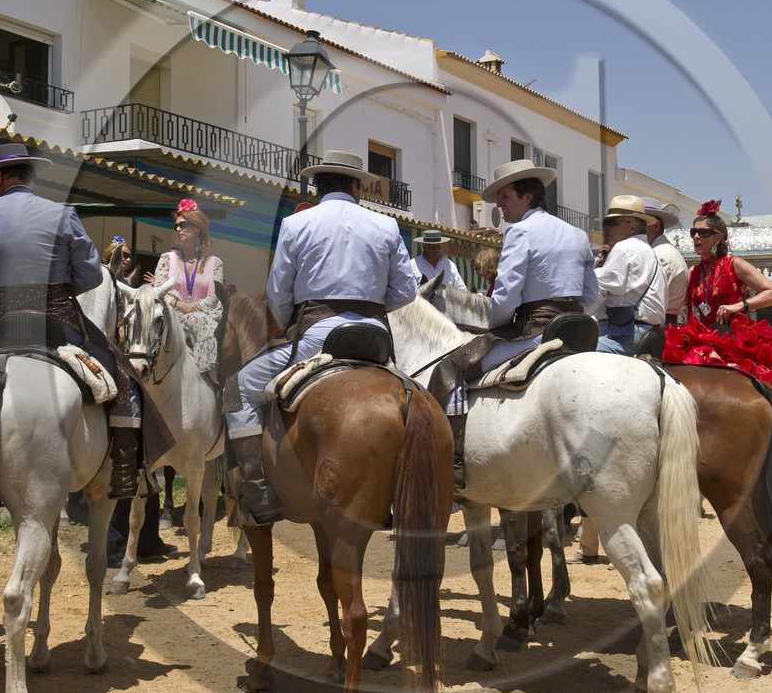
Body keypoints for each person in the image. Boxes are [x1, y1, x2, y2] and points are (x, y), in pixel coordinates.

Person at [0, 144, 166, 502]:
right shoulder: (62, 214)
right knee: (123, 374)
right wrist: (59, 292)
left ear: (0, 176)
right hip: (57, 320)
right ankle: (127, 468)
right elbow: (93, 275)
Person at [225, 149, 420, 523]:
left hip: (316, 336)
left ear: (317, 188)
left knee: (237, 389)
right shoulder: (386, 225)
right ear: (356, 188)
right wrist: (373, 308)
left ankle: (257, 489)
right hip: (375, 338)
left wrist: (289, 322)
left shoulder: (296, 225)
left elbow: (279, 295)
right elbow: (407, 292)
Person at [437, 159, 598, 488]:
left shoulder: (519, 232)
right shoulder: (578, 234)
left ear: (527, 197)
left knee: (449, 369)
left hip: (532, 334)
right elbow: (591, 294)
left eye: (505, 196)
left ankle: (452, 469)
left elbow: (507, 296)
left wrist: (494, 327)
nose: (499, 204)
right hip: (577, 333)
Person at [662, 199, 772, 412]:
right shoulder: (692, 272)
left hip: (734, 338)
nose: (696, 236)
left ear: (718, 238)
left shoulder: (734, 264)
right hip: (704, 338)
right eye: (693, 232)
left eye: (703, 233)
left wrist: (739, 305)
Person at [153, 199, 224, 374]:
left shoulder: (214, 263)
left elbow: (214, 297)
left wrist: (195, 309)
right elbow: (159, 291)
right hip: (173, 319)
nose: (178, 229)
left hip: (207, 316)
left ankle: (219, 377)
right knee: (201, 321)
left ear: (197, 227)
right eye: (175, 226)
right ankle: (207, 372)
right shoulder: (166, 259)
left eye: (183, 224)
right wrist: (183, 306)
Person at [593, 195, 665, 355]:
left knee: (569, 359)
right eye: (605, 223)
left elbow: (596, 291)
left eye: (611, 223)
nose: (605, 228)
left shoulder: (624, 248)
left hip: (623, 335)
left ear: (632, 227)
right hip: (646, 333)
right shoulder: (650, 253)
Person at [642, 198, 689, 326]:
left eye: (641, 224)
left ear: (656, 226)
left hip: (658, 328)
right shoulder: (661, 251)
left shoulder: (659, 254)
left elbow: (648, 300)